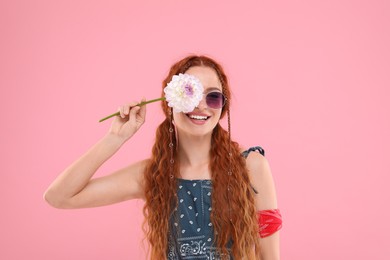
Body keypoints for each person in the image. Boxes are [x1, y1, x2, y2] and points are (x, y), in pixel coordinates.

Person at [44, 55, 282, 260]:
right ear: (170, 101)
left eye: (213, 97)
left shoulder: (251, 166)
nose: (201, 106)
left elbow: (269, 255)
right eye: (191, 93)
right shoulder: (151, 175)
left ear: (222, 107)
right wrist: (114, 139)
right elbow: (59, 196)